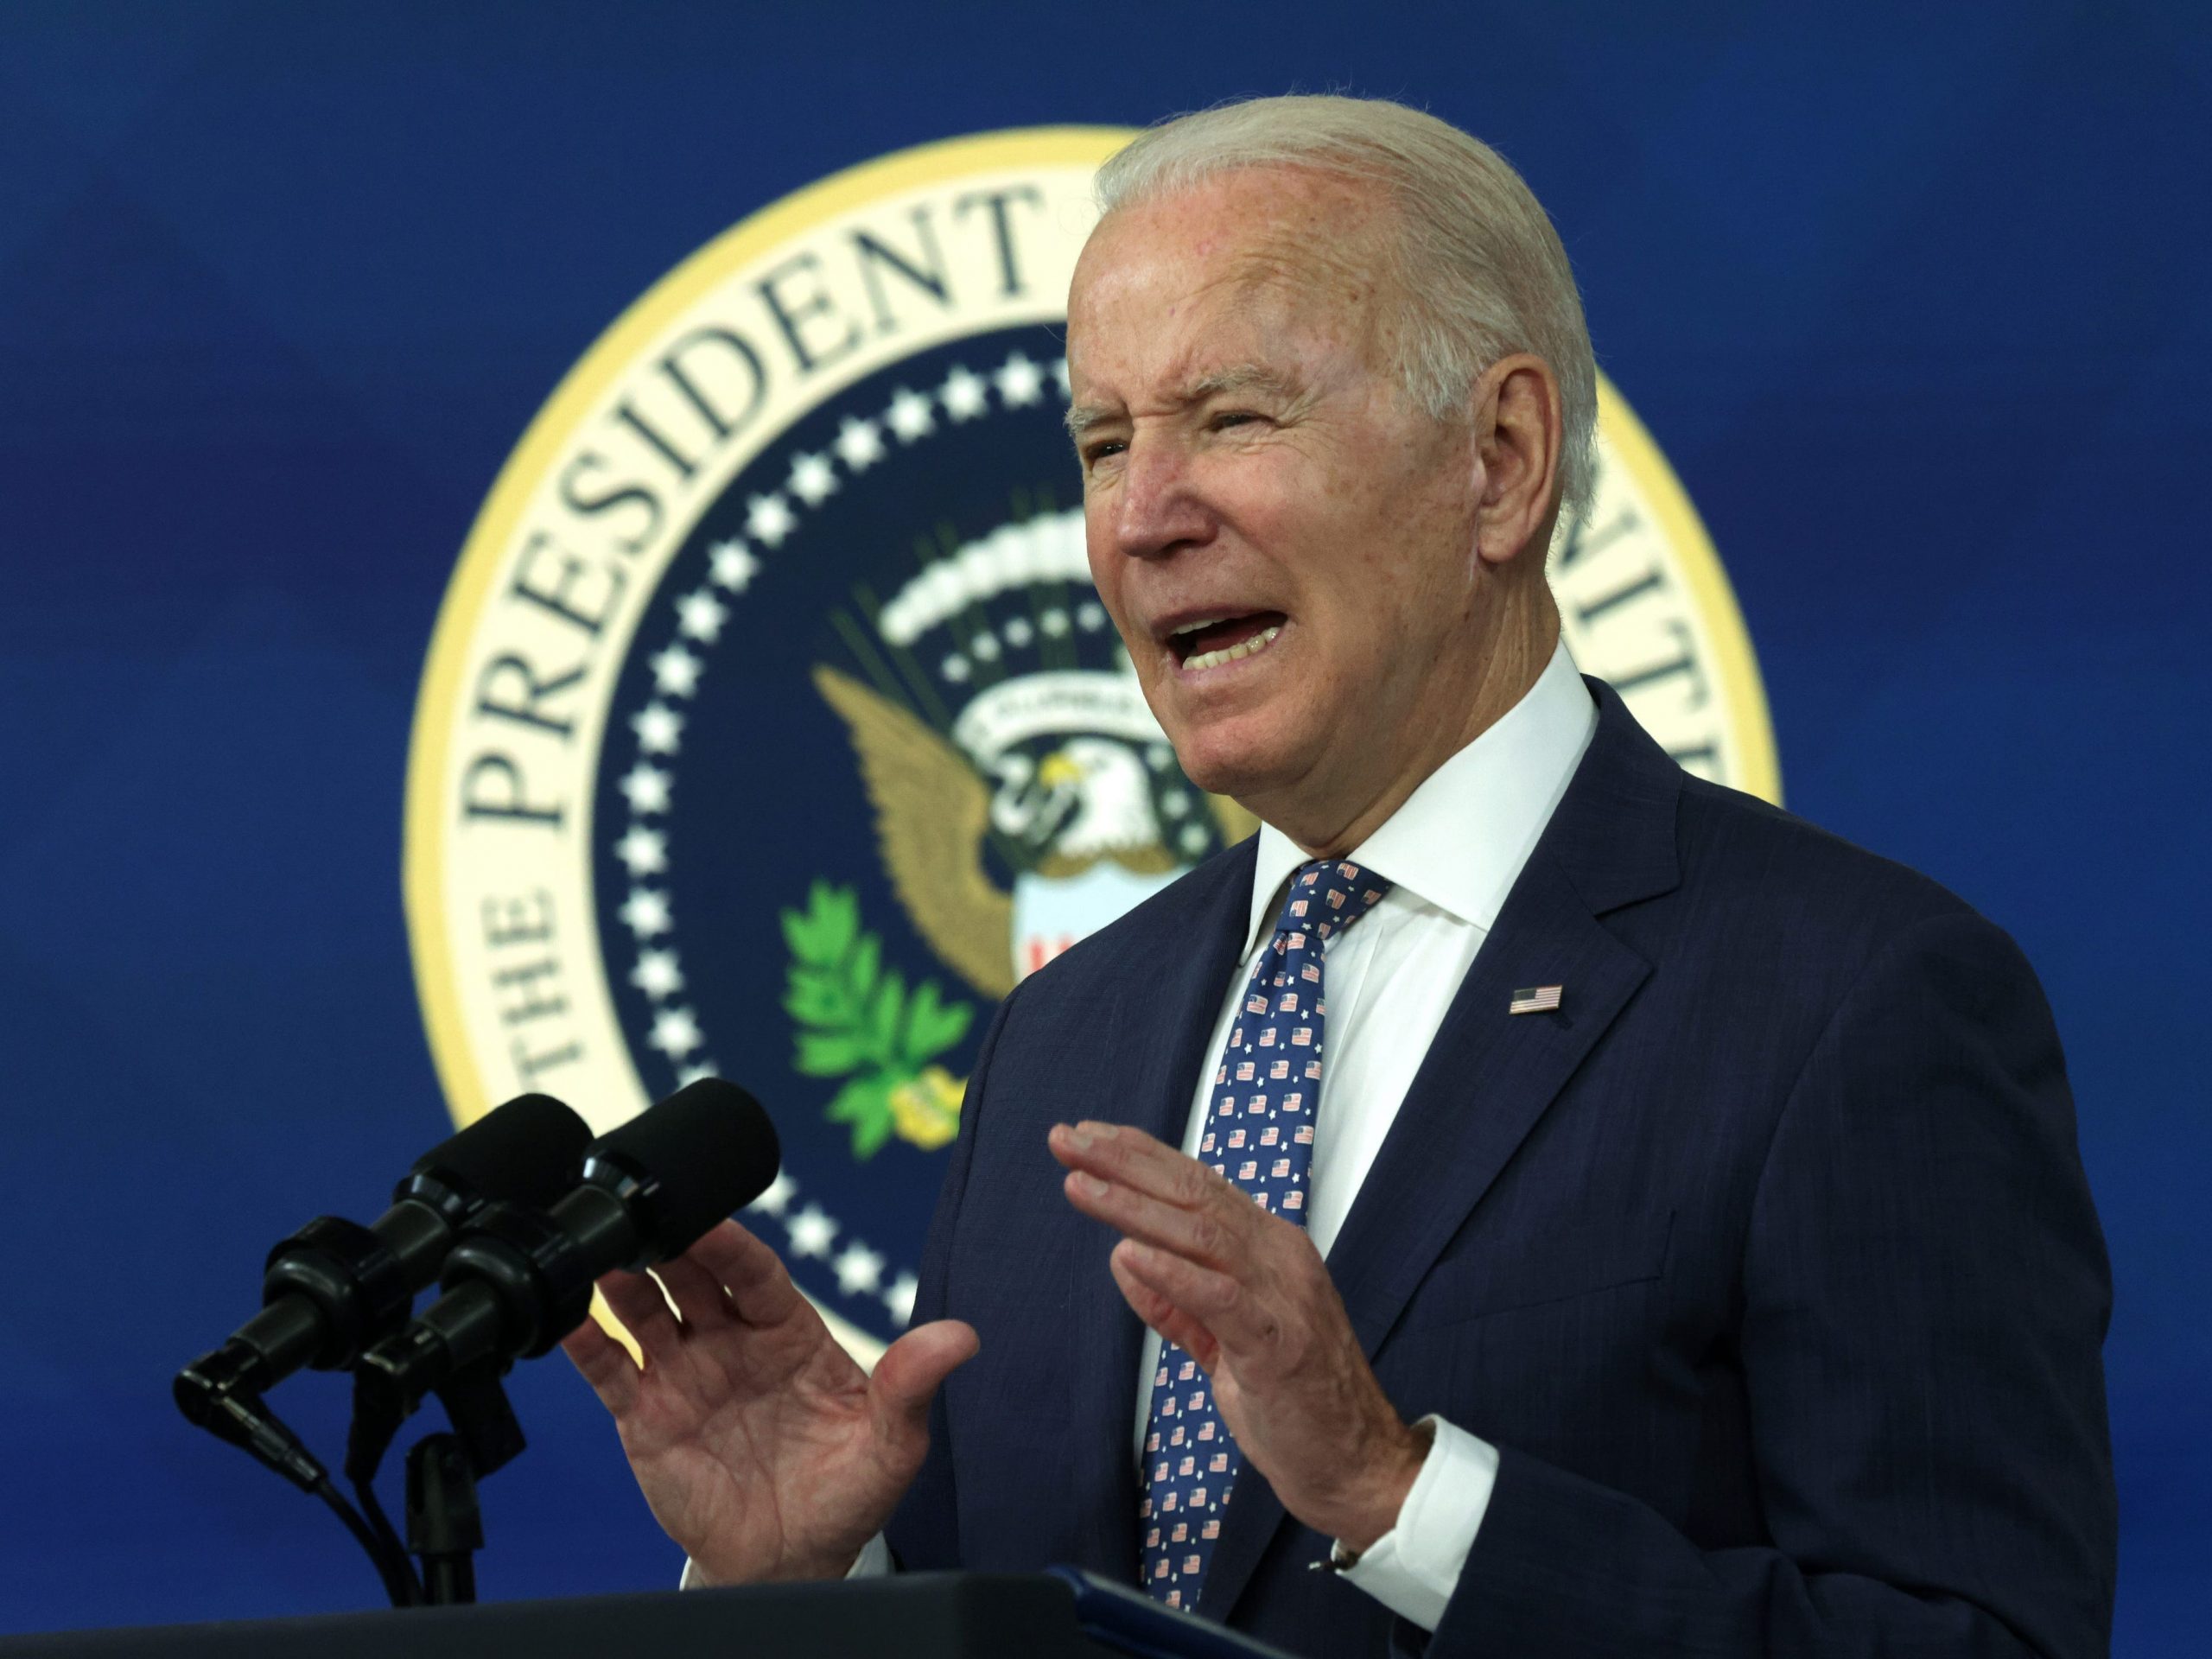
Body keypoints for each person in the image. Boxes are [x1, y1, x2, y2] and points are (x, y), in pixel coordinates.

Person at [563, 95, 2115, 1656]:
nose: (1144, 517)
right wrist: (812, 1581)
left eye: (1232, 419)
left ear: (1501, 463)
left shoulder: (1848, 1001)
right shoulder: (1068, 1033)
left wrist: (1400, 1494)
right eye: (1105, 443)